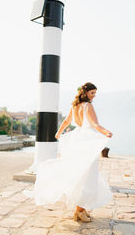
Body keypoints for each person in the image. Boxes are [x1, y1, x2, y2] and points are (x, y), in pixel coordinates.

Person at [23, 82, 113, 223]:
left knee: (80, 174)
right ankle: (79, 211)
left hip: (76, 139)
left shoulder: (74, 106)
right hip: (86, 140)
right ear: (85, 93)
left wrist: (58, 132)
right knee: (88, 176)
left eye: (95, 93)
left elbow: (66, 121)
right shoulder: (88, 106)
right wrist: (106, 132)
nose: (94, 96)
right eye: (92, 93)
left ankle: (80, 210)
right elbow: (95, 124)